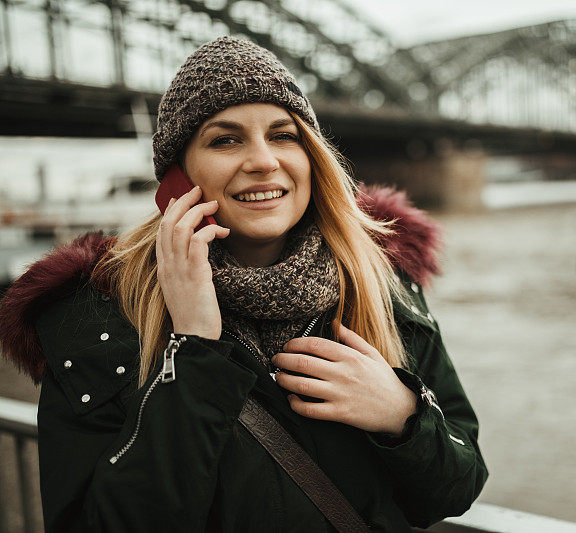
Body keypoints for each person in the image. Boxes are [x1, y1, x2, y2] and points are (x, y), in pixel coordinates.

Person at [0, 36, 488, 532]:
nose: (262, 161)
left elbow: (456, 489)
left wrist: (404, 417)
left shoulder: (383, 282)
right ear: (176, 179)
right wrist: (193, 351)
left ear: (312, 156)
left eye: (283, 135)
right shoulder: (95, 320)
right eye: (224, 139)